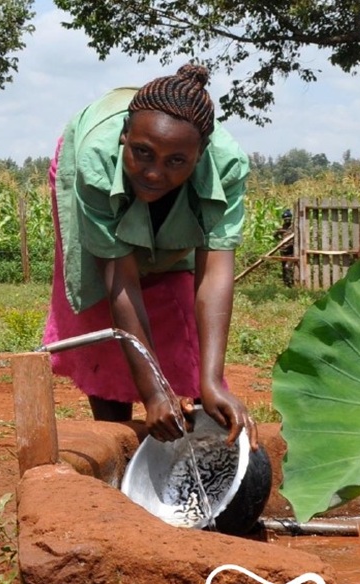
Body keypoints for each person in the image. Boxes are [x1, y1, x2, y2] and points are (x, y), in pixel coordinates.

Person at [42, 63, 257, 449]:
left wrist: (211, 380)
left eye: (176, 161)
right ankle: (119, 444)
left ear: (200, 154)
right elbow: (119, 280)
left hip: (180, 187)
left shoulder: (226, 166)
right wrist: (154, 392)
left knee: (174, 300)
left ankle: (183, 427)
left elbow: (213, 275)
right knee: (100, 306)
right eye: (142, 153)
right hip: (87, 164)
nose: (155, 173)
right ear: (125, 136)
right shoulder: (96, 161)